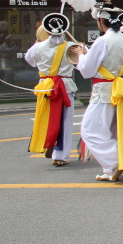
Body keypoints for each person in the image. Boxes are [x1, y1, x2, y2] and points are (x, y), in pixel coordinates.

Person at [71, 0, 123, 182]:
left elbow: (88, 70)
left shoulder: (102, 41)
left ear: (100, 21)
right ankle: (110, 168)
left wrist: (81, 55)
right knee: (113, 130)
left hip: (104, 92)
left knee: (90, 131)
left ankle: (116, 160)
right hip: (120, 89)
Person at [24, 13, 77, 167]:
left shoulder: (38, 46)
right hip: (65, 85)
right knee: (65, 121)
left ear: (46, 31)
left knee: (46, 118)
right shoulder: (71, 46)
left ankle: (46, 143)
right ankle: (60, 154)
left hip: (46, 86)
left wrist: (37, 45)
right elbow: (82, 61)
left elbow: (30, 61)